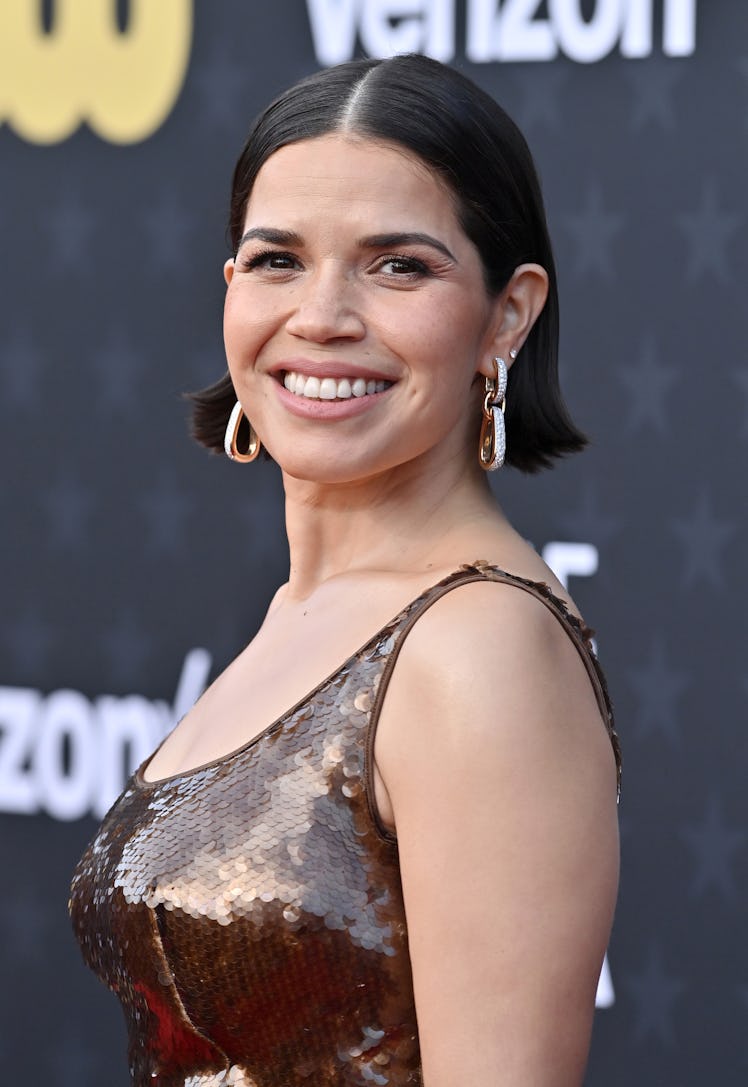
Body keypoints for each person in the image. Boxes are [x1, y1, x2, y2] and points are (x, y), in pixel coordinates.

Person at [70, 53, 621, 1087]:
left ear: (507, 313)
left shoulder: (475, 648)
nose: (322, 314)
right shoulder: (305, 611)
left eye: (397, 265)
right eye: (277, 258)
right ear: (229, 289)